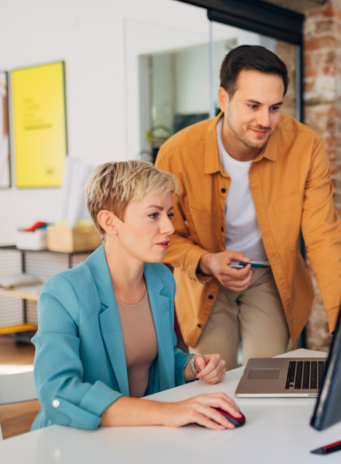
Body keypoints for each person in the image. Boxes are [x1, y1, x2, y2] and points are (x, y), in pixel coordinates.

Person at [156, 45, 341, 369]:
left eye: (275, 108)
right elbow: (165, 236)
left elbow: (324, 238)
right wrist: (205, 260)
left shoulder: (306, 146)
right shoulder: (177, 153)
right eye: (253, 106)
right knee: (215, 379)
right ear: (223, 99)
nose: (265, 120)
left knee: (269, 378)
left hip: (270, 277)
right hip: (205, 281)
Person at [31, 160, 242, 431]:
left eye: (169, 214)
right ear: (109, 222)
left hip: (139, 435)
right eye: (154, 215)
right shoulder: (63, 292)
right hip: (72, 439)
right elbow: (58, 394)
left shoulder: (161, 280)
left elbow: (152, 362)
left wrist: (191, 365)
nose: (169, 228)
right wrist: (168, 412)